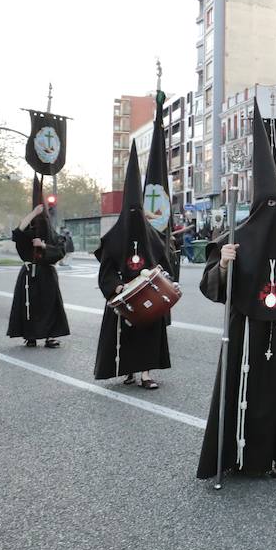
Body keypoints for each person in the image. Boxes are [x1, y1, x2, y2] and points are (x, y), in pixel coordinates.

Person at [197, 108, 276, 485]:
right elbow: (210, 286)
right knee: (245, 389)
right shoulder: (234, 238)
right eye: (270, 207)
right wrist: (225, 265)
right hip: (247, 331)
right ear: (259, 206)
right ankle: (240, 455)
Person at [93, 143, 172, 390]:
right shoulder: (113, 238)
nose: (136, 215)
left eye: (140, 211)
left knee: (147, 334)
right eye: (132, 211)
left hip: (147, 296)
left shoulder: (154, 238)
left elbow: (165, 266)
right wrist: (118, 287)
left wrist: (154, 284)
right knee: (124, 334)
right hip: (124, 295)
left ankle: (146, 374)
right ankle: (127, 370)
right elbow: (106, 270)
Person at [7, 178, 70, 348]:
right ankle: (31, 335)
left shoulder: (53, 235)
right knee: (29, 304)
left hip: (47, 274)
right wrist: (34, 213)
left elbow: (60, 251)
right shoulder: (28, 232)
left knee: (50, 305)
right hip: (29, 274)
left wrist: (43, 246)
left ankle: (50, 336)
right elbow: (18, 232)